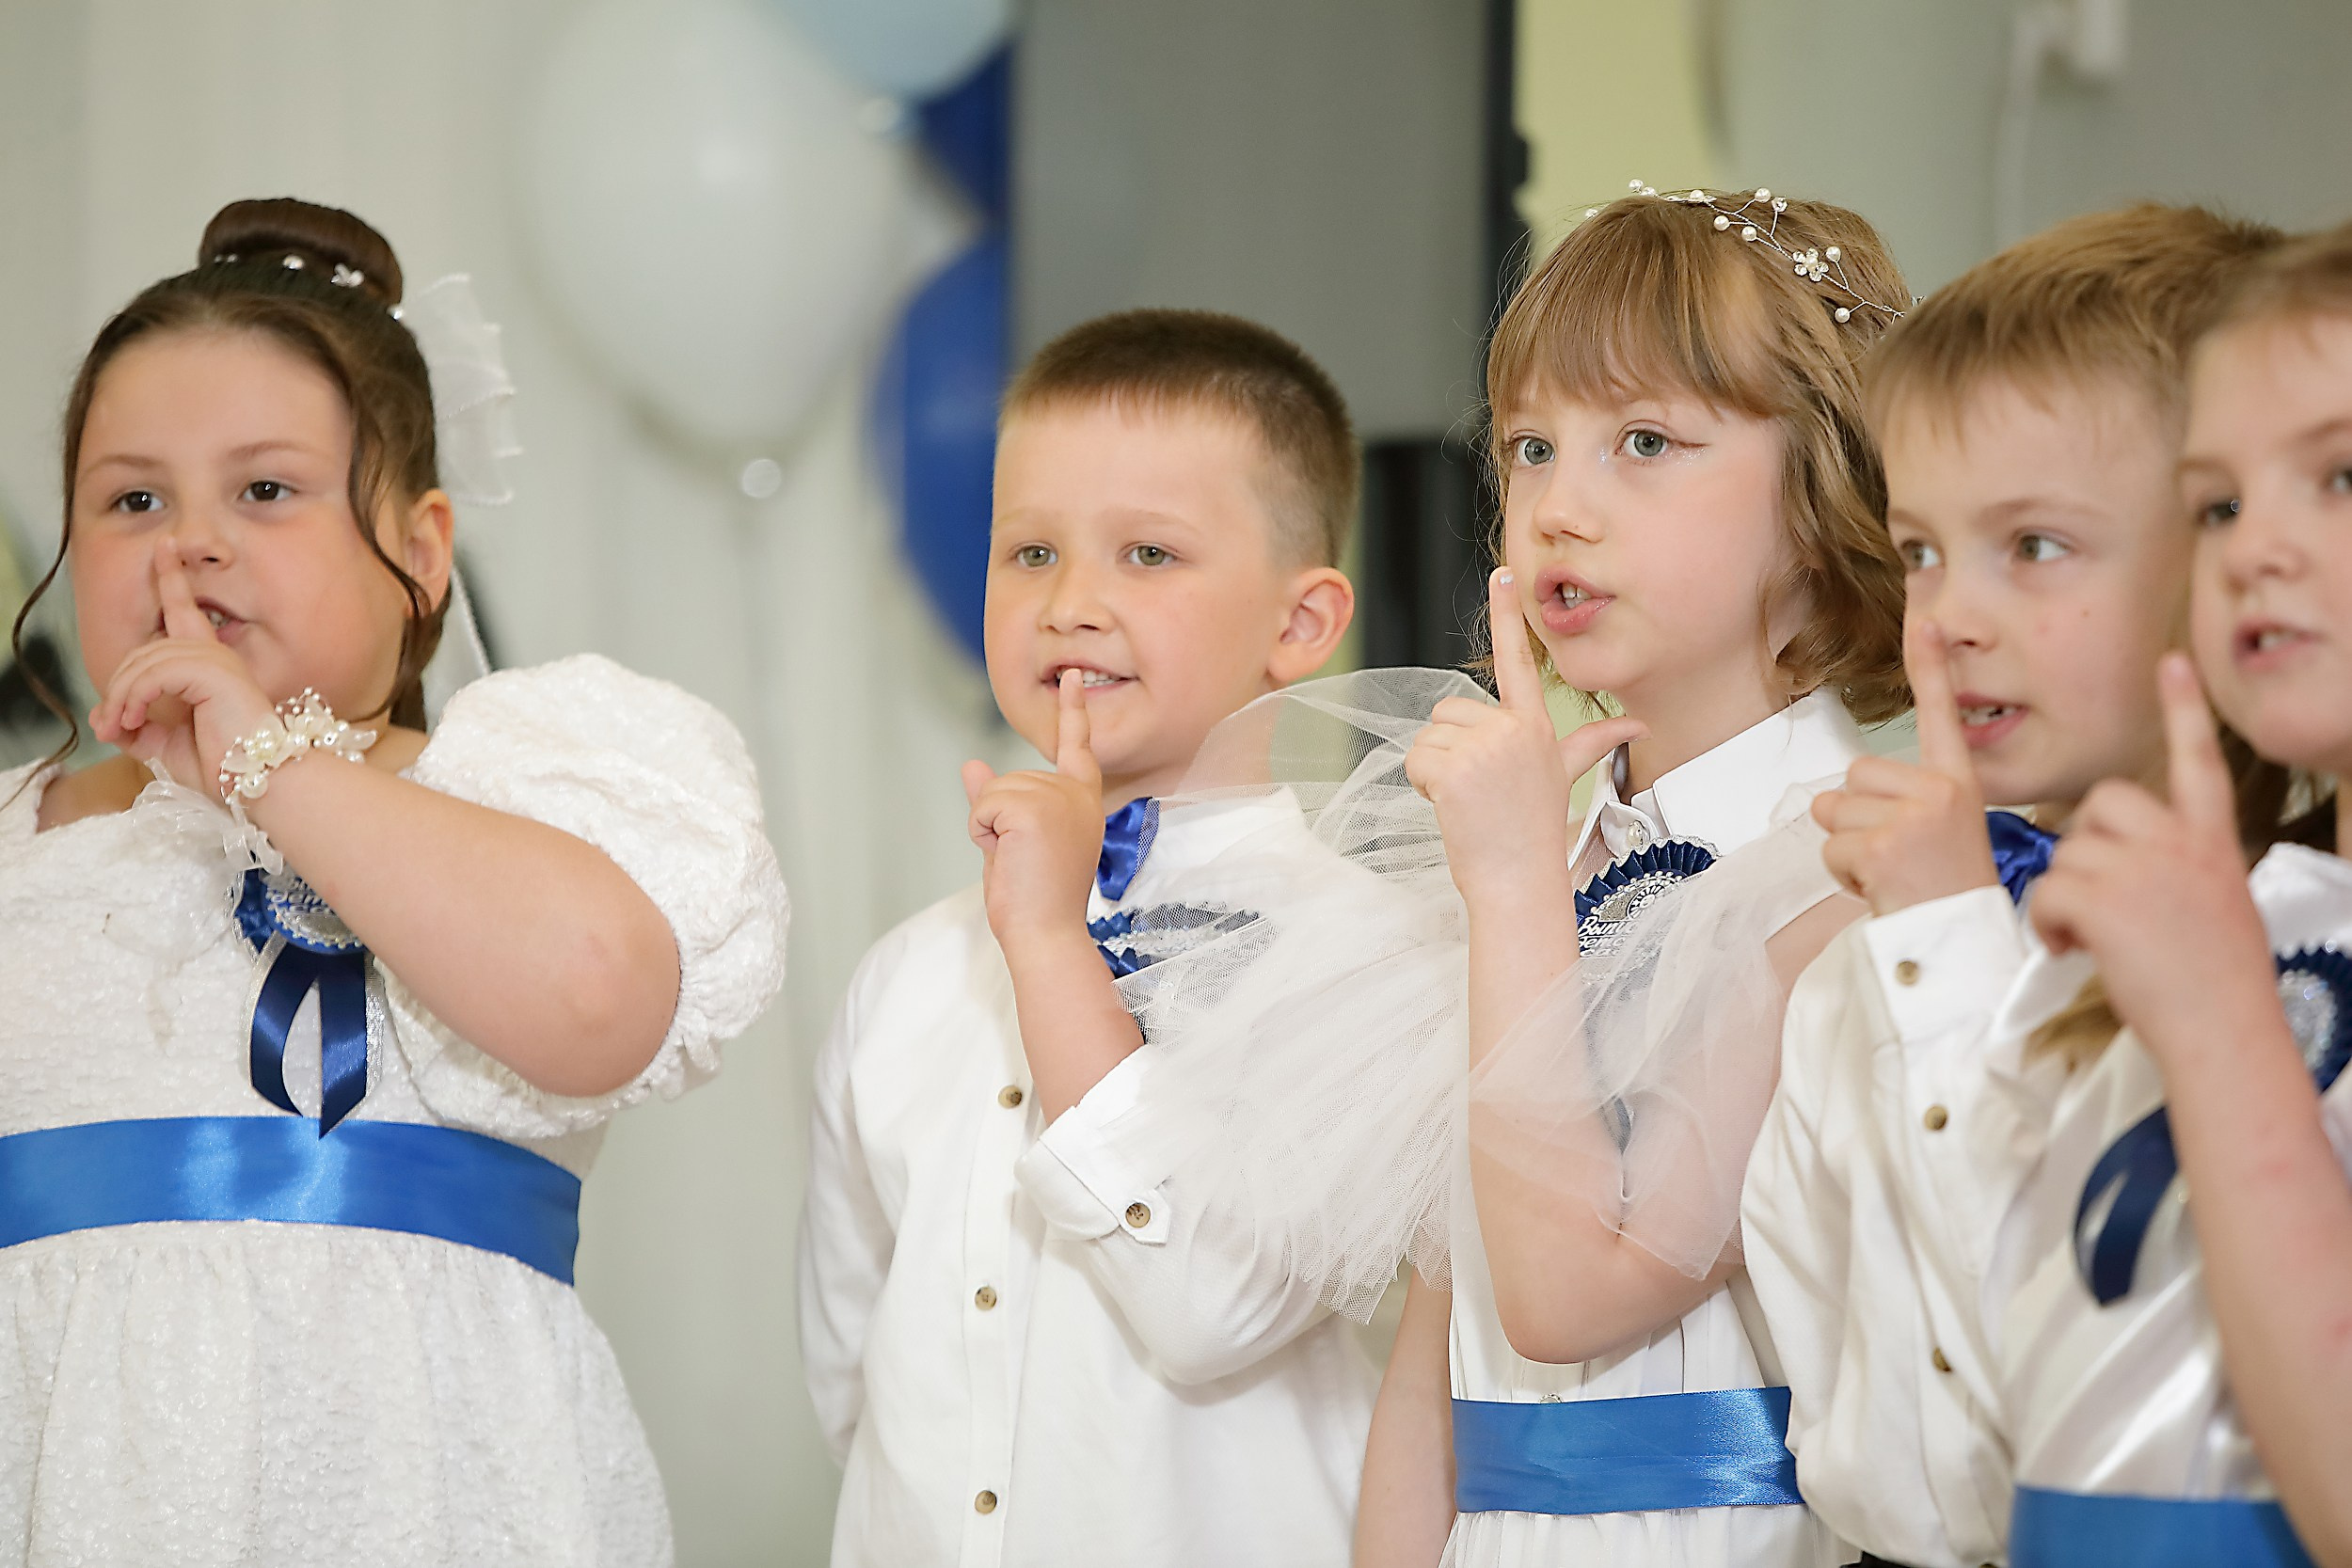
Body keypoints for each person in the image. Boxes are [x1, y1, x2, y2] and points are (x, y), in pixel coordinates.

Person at [0, 198, 787, 1565]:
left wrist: (274, 767)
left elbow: (603, 994)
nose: (189, 542)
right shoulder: (25, 838)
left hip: (434, 1493)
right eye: (132, 498)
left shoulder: (506, 786)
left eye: (265, 489)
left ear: (423, 552)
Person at [1358, 183, 1911, 1568]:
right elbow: (1436, 1353)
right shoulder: (1529, 849)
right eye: (1532, 447)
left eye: (1646, 442)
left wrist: (1512, 896)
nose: (1558, 508)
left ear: (1820, 485)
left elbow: (1572, 1293)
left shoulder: (1840, 867)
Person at [1740, 204, 2282, 1568]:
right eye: (1923, 550)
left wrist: (1943, 947)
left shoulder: (2289, 953)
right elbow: (1853, 1404)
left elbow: (2061, 1403)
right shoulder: (1868, 955)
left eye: (2033, 546)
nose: (1952, 614)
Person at [797, 309, 1375, 1567]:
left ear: (1303, 622)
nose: (1070, 604)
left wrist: (1052, 943)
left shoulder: (1364, 952)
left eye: (1148, 554)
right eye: (1031, 551)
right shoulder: (908, 975)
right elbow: (854, 1367)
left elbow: (1214, 1303)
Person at [1951, 219, 2352, 1568]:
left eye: (2342, 477)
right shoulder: (2246, 911)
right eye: (2220, 503)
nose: (2256, 548)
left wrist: (2222, 1029)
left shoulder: (2217, 965)